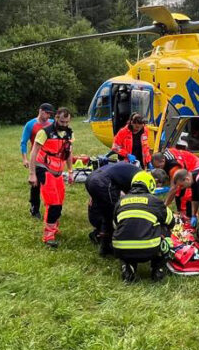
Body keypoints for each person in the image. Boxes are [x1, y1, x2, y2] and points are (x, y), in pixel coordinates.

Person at [111, 171, 177, 283]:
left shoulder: (120, 201)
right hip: (148, 250)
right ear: (151, 185)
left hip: (121, 248)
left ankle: (128, 265)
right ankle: (158, 268)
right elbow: (171, 222)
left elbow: (115, 225)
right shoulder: (155, 201)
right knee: (164, 229)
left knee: (125, 230)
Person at [29, 106, 75, 247]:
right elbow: (34, 152)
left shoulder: (69, 133)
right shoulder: (45, 132)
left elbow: (68, 152)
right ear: (56, 118)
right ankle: (48, 236)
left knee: (60, 202)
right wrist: (32, 174)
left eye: (67, 122)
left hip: (58, 171)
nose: (64, 125)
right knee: (53, 203)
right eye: (62, 122)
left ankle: (54, 228)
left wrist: (70, 171)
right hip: (44, 169)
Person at [84, 159, 141, 255]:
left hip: (91, 178)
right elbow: (131, 198)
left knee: (100, 207)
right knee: (111, 214)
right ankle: (105, 246)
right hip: (102, 182)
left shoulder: (128, 171)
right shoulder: (139, 178)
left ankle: (98, 232)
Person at [21, 103, 54, 219]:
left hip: (50, 159)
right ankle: (34, 208)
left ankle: (51, 208)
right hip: (37, 158)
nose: (49, 116)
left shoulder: (52, 123)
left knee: (50, 184)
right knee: (36, 184)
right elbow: (23, 142)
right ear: (40, 111)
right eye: (47, 113)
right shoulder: (31, 124)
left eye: (50, 114)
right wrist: (25, 159)